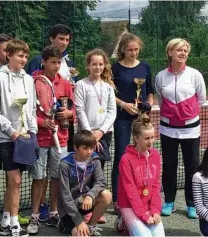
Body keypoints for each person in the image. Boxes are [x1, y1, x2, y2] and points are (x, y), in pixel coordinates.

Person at [27, 24, 75, 222]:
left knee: (57, 177)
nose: (57, 66)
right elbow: (27, 112)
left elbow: (73, 109)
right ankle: (35, 214)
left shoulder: (65, 82)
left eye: (59, 62)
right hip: (39, 138)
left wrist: (69, 113)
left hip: (60, 138)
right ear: (44, 62)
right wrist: (41, 122)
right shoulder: (33, 81)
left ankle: (54, 211)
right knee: (39, 178)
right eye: (53, 62)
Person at [0, 39, 37, 237]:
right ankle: (16, 227)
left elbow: (32, 108)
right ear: (9, 55)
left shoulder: (28, 79)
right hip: (6, 138)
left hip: (25, 137)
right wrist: (11, 131)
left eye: (26, 56)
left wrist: (31, 130)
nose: (24, 60)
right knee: (15, 180)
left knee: (14, 183)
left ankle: (5, 223)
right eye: (20, 56)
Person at [155, 38, 206, 219]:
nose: (183, 53)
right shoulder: (161, 76)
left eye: (185, 50)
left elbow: (201, 99)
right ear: (170, 53)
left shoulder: (195, 75)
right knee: (169, 166)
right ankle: (169, 202)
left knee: (192, 166)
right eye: (179, 50)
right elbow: (161, 100)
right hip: (168, 128)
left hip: (191, 128)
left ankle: (192, 204)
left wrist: (186, 113)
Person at [111, 33, 154, 214]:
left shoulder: (145, 67)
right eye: (130, 49)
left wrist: (149, 105)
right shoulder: (115, 68)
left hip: (141, 118)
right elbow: (109, 94)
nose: (133, 53)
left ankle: (141, 195)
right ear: (122, 49)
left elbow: (150, 91)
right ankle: (117, 199)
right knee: (121, 157)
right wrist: (124, 105)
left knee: (143, 155)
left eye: (136, 49)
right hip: (122, 117)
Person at [74, 48, 116, 223]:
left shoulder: (108, 87)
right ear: (88, 65)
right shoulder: (81, 85)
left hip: (104, 134)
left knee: (98, 171)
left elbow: (111, 112)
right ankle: (84, 208)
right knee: (84, 173)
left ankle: (96, 206)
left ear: (104, 65)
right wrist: (90, 135)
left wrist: (100, 132)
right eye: (94, 64)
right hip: (85, 135)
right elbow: (79, 109)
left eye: (101, 64)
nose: (98, 67)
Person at [114, 114, 165, 237]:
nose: (151, 141)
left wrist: (155, 211)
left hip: (147, 204)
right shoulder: (126, 160)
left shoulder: (156, 156)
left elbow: (156, 186)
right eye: (147, 138)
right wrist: (143, 215)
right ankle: (124, 223)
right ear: (136, 138)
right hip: (129, 205)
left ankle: (127, 224)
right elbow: (130, 190)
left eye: (153, 137)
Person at [58, 130, 112, 236]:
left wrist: (90, 196)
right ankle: (64, 223)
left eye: (91, 148)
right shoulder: (65, 165)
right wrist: (79, 221)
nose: (89, 152)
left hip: (84, 201)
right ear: (75, 148)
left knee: (106, 195)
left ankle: (91, 226)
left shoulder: (94, 160)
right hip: (68, 209)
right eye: (85, 148)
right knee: (82, 235)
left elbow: (101, 182)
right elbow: (65, 197)